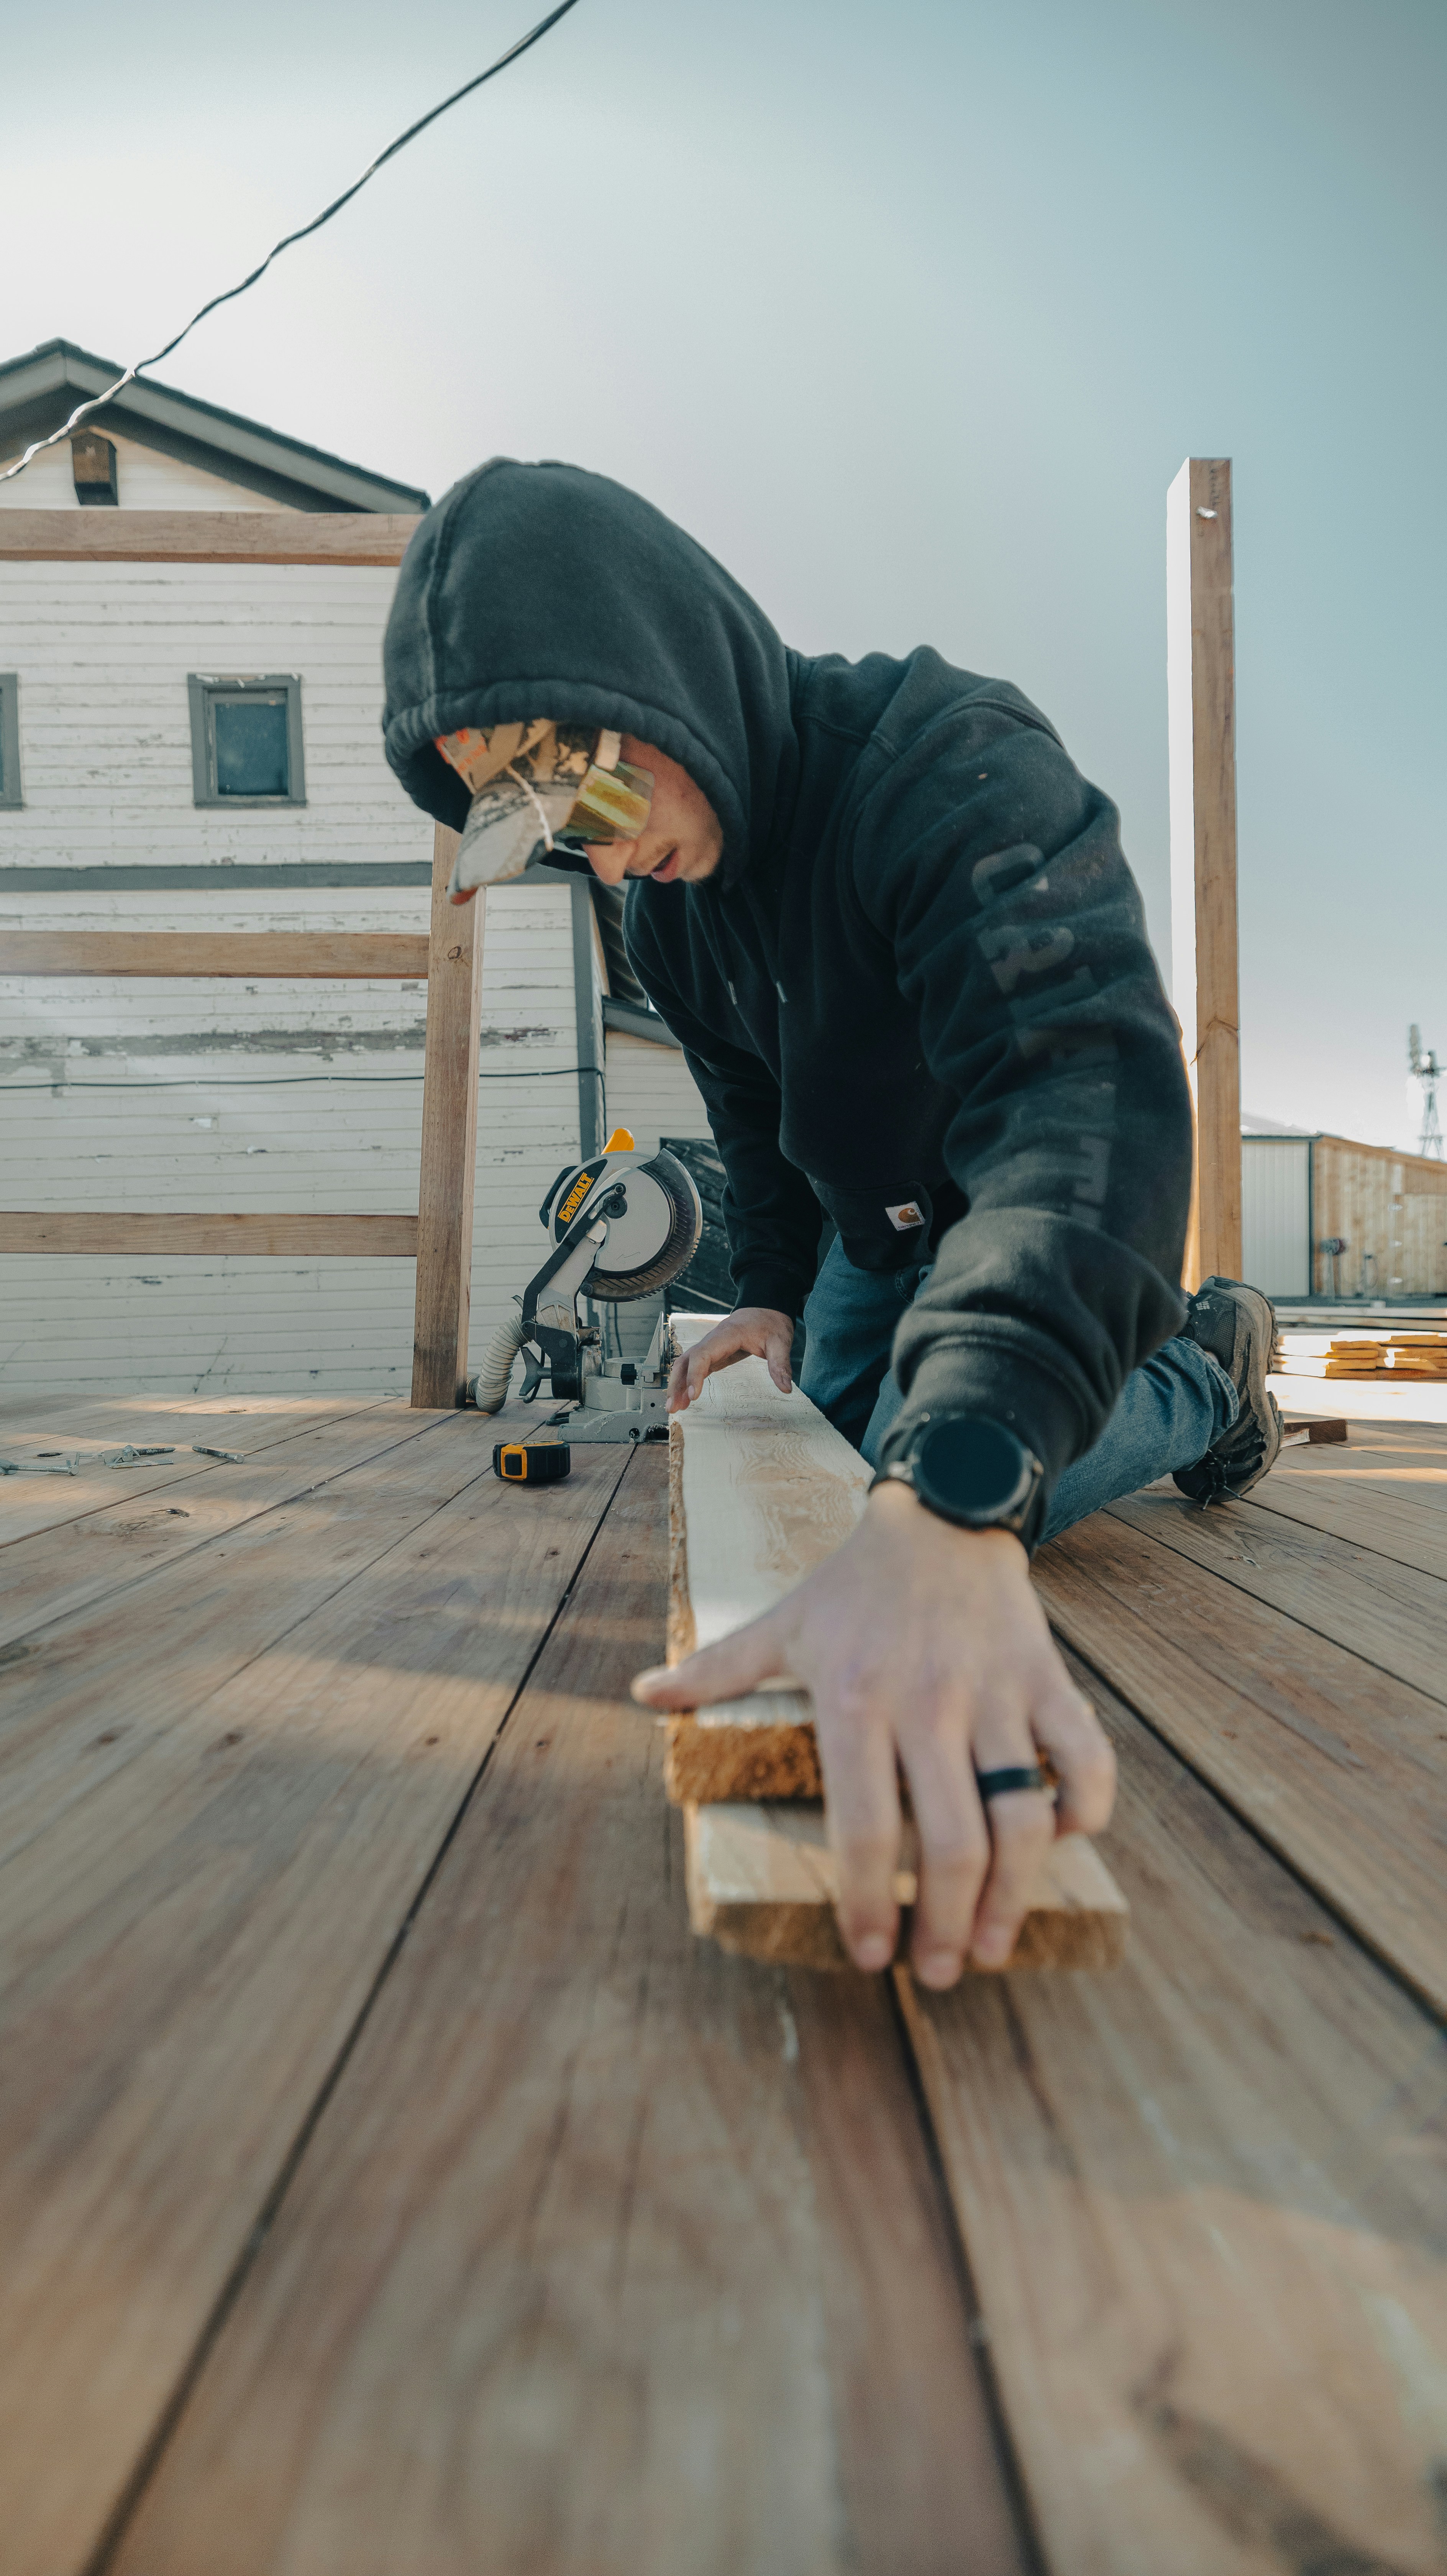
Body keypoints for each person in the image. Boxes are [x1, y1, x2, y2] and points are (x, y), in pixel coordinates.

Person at [382, 459, 1281, 1989]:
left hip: (1007, 1221)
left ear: (665, 675)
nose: (605, 854)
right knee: (829, 1467)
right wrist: (775, 1294)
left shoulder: (943, 766)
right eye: (560, 835)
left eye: (600, 796)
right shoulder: (667, 912)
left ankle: (1198, 1374)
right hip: (871, 1236)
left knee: (952, 1493)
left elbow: (1080, 1103)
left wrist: (959, 1493)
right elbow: (753, 1117)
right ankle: (1018, 1391)